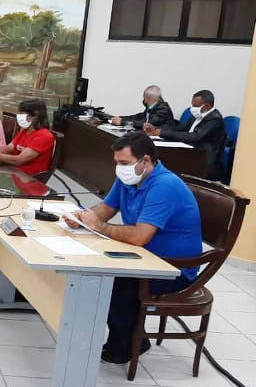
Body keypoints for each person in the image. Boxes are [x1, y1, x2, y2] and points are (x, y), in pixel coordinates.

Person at [64, 132, 202, 364]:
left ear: (145, 161)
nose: (119, 169)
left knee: (115, 281)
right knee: (97, 270)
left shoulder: (164, 185)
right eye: (117, 163)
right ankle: (123, 337)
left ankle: (128, 343)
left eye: (124, 163)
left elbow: (139, 236)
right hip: (145, 256)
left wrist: (100, 227)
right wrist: (83, 217)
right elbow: (106, 209)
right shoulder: (130, 178)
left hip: (172, 268)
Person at [144, 89, 226, 181]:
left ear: (207, 106)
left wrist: (163, 133)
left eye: (195, 106)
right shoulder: (199, 114)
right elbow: (182, 128)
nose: (192, 108)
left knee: (169, 159)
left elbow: (195, 137)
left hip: (203, 157)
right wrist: (158, 130)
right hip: (191, 150)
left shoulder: (214, 119)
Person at [0, 99, 55, 177]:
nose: (18, 116)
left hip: (28, 177)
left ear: (34, 115)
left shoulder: (44, 136)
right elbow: (7, 149)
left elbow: (19, 160)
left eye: (22, 113)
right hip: (12, 170)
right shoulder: (24, 131)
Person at [110, 85, 175, 128]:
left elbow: (147, 124)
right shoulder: (154, 107)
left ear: (148, 99)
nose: (145, 101)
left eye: (145, 98)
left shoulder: (163, 110)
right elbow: (138, 117)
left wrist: (122, 122)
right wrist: (121, 118)